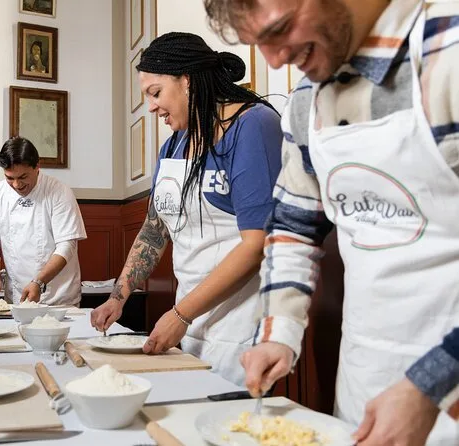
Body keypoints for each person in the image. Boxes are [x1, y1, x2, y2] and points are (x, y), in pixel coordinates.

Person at [204, 0, 459, 443]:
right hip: (364, 377)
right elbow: (293, 228)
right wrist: (279, 331)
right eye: (259, 44)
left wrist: (430, 383)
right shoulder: (307, 100)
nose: (274, 60)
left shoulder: (447, 52)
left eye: (280, 29)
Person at [90, 32, 283, 385]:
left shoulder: (252, 125)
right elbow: (154, 230)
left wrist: (181, 314)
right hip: (189, 324)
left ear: (187, 80)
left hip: (240, 328)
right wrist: (118, 297)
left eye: (155, 92)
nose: (151, 107)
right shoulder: (172, 147)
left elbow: (257, 244)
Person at [0, 137, 86, 306]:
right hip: (17, 298)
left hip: (59, 298)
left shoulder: (60, 192)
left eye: (23, 177)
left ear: (37, 167)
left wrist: (39, 282)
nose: (16, 184)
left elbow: (67, 245)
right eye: (9, 178)